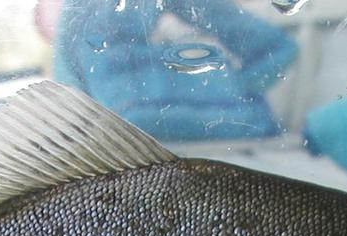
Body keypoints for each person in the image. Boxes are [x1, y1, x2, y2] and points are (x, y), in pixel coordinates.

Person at [48, 0, 298, 141]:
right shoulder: (78, 22)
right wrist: (239, 87)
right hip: (235, 129)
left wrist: (239, 86)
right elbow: (279, 48)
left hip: (128, 138)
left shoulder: (76, 29)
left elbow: (280, 48)